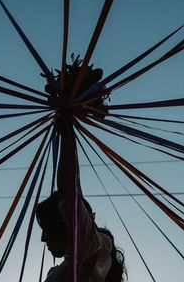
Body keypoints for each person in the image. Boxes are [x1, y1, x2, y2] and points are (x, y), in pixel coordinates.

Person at [36, 119, 126, 281]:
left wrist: (66, 130)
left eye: (47, 229)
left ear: (66, 223)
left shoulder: (94, 245)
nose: (43, 238)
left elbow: (67, 190)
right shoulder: (62, 269)